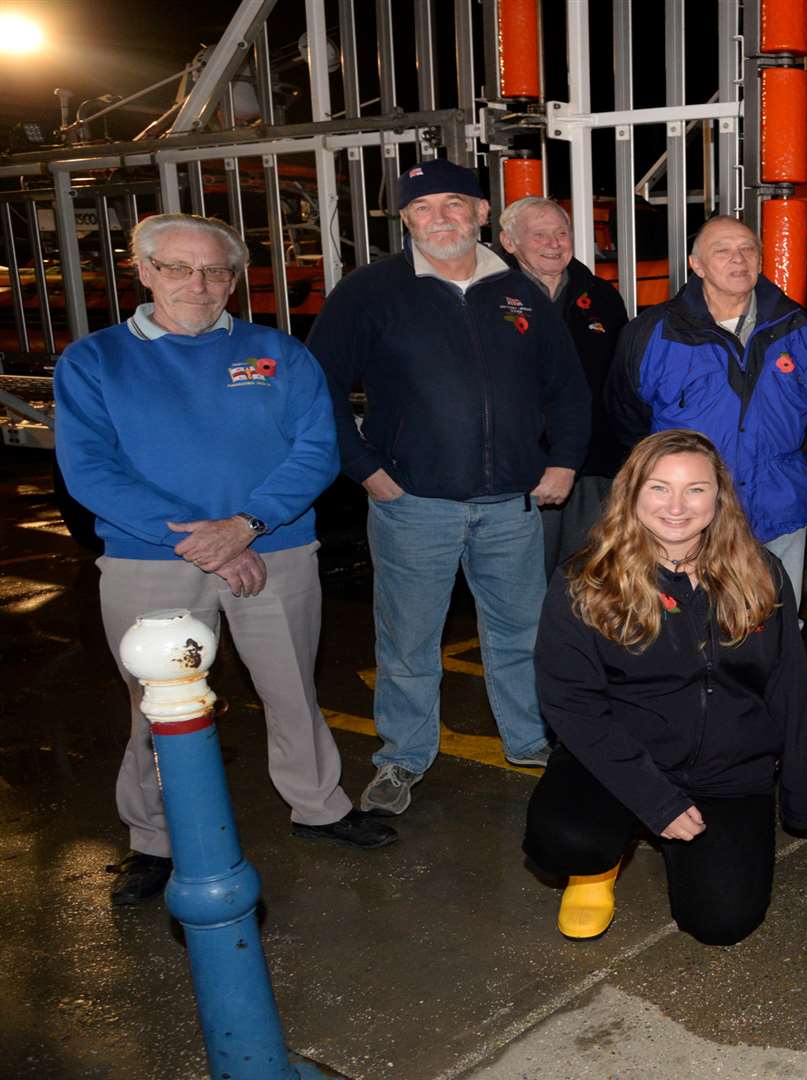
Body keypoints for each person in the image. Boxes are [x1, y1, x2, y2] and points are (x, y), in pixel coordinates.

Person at [57, 213, 397, 905]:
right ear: (144, 271)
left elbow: (316, 451)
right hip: (150, 558)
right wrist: (204, 541)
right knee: (152, 706)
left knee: (291, 690)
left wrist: (244, 526)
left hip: (274, 549)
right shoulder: (94, 361)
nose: (198, 283)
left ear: (235, 278)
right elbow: (91, 470)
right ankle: (152, 838)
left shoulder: (279, 354)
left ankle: (319, 807)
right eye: (177, 268)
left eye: (215, 270)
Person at [310, 157, 590, 812]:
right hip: (413, 505)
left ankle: (530, 740)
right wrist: (367, 471)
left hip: (511, 506)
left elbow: (570, 388)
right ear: (405, 218)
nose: (441, 218)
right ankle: (402, 759)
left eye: (455, 204)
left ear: (482, 214)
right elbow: (314, 388)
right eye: (424, 207)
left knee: (522, 632)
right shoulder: (369, 291)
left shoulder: (519, 292)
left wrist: (564, 461)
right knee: (407, 643)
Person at [522, 430, 807, 944]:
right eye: (660, 488)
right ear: (632, 493)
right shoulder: (587, 578)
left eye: (696, 489)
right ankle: (596, 868)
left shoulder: (761, 571)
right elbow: (571, 702)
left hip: (727, 770)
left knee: (722, 924)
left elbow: (789, 687)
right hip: (625, 755)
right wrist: (655, 800)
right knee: (565, 839)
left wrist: (802, 800)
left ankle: (674, 838)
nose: (678, 507)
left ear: (719, 496)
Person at [606, 216, 807, 609]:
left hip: (778, 509)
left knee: (775, 625)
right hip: (686, 518)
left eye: (747, 249)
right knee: (690, 634)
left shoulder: (796, 327)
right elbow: (626, 419)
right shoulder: (653, 333)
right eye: (721, 251)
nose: (737, 260)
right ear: (697, 265)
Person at [496, 195, 633, 577]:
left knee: (592, 579)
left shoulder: (602, 297)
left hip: (594, 469)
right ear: (509, 242)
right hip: (522, 470)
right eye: (539, 235)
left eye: (561, 233)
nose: (554, 244)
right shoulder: (486, 298)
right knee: (524, 583)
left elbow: (619, 382)